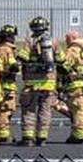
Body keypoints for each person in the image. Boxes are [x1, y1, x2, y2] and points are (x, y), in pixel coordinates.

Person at [16, 16, 63, 145]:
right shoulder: (53, 42)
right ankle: (42, 138)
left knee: (29, 110)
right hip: (48, 84)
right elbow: (61, 60)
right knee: (45, 110)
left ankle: (28, 138)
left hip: (31, 84)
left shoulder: (29, 41)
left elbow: (22, 57)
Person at [57, 30, 83, 144]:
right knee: (82, 109)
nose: (66, 41)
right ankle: (79, 132)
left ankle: (79, 135)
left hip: (75, 85)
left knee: (76, 109)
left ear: (71, 38)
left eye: (67, 39)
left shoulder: (72, 50)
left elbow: (64, 67)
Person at [0, 24, 20, 145]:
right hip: (6, 85)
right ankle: (3, 135)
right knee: (5, 110)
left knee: (1, 110)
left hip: (2, 84)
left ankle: (1, 133)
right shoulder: (6, 50)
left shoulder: (0, 48)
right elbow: (11, 67)